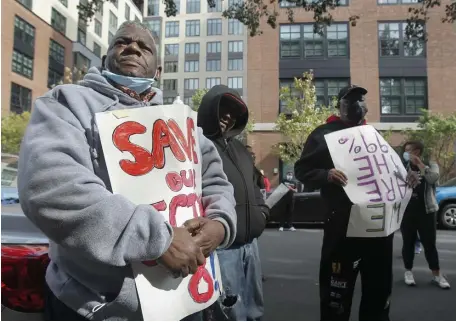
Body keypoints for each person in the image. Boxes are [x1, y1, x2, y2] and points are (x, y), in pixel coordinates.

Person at [17, 21, 237, 321]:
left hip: (187, 304)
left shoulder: (183, 122)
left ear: (157, 71)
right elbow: (50, 188)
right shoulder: (65, 104)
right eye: (122, 42)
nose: (132, 47)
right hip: (96, 309)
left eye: (144, 46)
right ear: (106, 56)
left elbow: (215, 182)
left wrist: (220, 225)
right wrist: (157, 239)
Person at [295, 85, 394, 320]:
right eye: (350, 101)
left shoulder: (373, 135)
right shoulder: (323, 134)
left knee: (378, 293)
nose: (358, 105)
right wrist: (326, 175)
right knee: (336, 293)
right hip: (343, 228)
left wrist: (408, 178)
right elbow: (302, 170)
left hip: (378, 230)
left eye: (361, 99)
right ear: (339, 106)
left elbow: (392, 170)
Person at [197, 85, 269, 321]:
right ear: (210, 108)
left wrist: (262, 212)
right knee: (229, 314)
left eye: (234, 112)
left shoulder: (240, 149)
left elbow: (255, 185)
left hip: (251, 248)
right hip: (222, 249)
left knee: (254, 312)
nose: (228, 116)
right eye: (223, 108)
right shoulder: (195, 145)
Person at [400, 141, 450, 289]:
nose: (407, 153)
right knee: (408, 242)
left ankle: (436, 275)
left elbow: (433, 179)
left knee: (429, 243)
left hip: (427, 211)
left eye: (410, 151)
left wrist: (421, 165)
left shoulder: (431, 165)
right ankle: (408, 271)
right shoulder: (402, 166)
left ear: (418, 152)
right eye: (405, 151)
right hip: (407, 210)